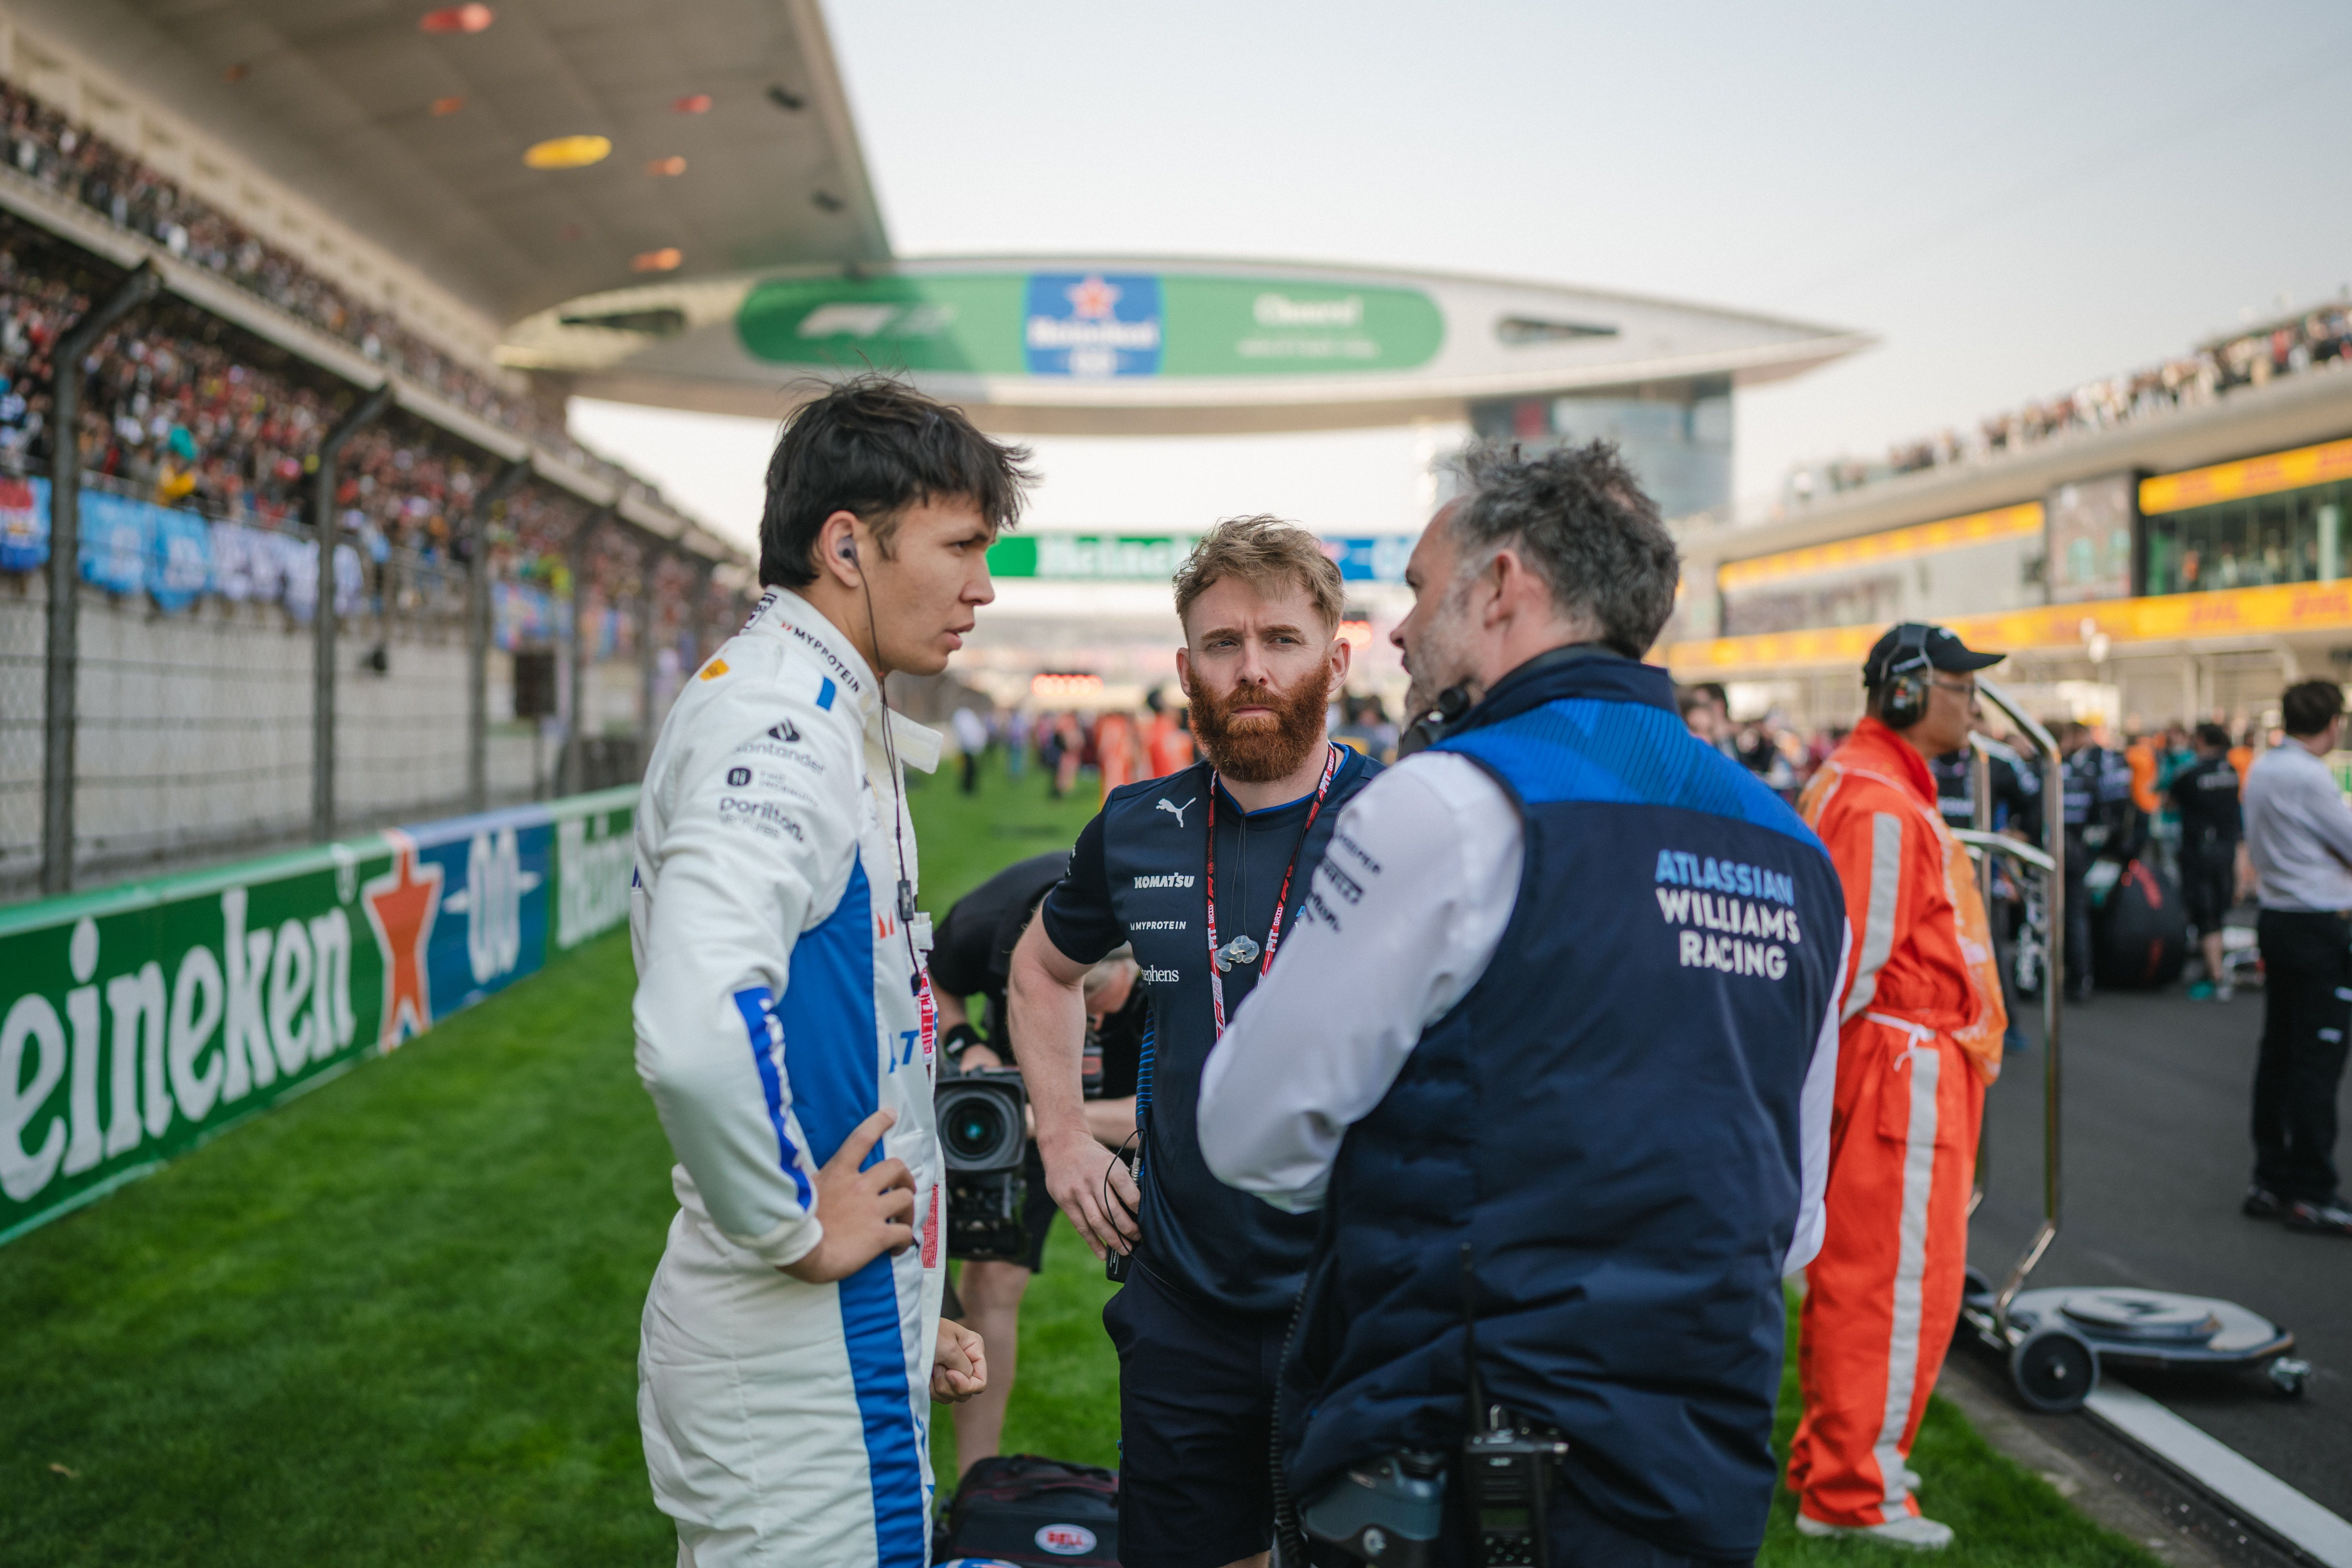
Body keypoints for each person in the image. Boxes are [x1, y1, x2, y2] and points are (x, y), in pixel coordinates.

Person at [1198, 442, 1846, 1567]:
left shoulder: (1444, 805)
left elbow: (1248, 1130)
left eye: (1415, 590)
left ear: (1502, 589)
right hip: (1697, 1460)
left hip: (1458, 1452)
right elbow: (1790, 1220)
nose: (1397, 633)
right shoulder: (1796, 848)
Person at [629, 376, 1033, 1566]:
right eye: (959, 546)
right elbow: (700, 1025)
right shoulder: (781, 719)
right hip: (789, 1334)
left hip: (830, 1332)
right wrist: (797, 1227)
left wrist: (913, 1322)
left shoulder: (820, 703)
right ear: (846, 545)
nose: (982, 586)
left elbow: (860, 1039)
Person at [1006, 515, 1379, 1568]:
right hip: (1183, 1300)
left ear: (1335, 658)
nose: (1251, 669)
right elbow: (1041, 968)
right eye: (1223, 645)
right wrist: (1067, 1139)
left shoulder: (1409, 820)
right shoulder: (1134, 824)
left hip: (1356, 1298)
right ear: (1186, 667)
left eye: (1280, 640)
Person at [1784, 623, 2009, 1548]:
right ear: (1909, 692)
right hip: (1902, 1073)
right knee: (1893, 1283)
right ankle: (1851, 1491)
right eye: (1961, 688)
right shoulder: (1878, 800)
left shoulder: (1873, 783)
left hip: (1900, 1066)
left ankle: (1845, 1456)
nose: (1976, 705)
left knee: (1873, 1279)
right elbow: (1850, 973)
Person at [926, 852, 1146, 1473]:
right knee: (992, 1280)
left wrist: (1049, 1122)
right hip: (1015, 1109)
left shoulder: (1173, 934)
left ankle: (1175, 1488)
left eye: (1099, 1008)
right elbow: (935, 980)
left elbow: (1193, 1106)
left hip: (1123, 1116)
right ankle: (975, 1484)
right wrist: (966, 1047)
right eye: (1069, 1008)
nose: (1086, 1031)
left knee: (1171, 1286)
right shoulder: (988, 919)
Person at [2241, 681, 2352, 1236]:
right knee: (2317, 1059)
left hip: (2279, 918)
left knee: (2280, 1052)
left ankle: (2271, 1178)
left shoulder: (2264, 769)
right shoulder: (2310, 777)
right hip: (2317, 925)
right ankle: (2312, 1190)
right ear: (2333, 723)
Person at [2057, 721, 2136, 1002]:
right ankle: (2077, 978)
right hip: (2078, 850)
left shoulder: (2059, 769)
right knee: (2075, 915)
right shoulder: (2087, 769)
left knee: (2065, 915)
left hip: (2065, 851)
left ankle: (2068, 978)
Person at [2172, 722, 2247, 1002]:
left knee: (2205, 915)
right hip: (2226, 851)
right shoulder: (2231, 772)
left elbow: (2168, 801)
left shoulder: (2190, 775)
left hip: (2200, 853)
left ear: (2201, 741)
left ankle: (2216, 976)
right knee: (2219, 910)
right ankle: (2213, 968)